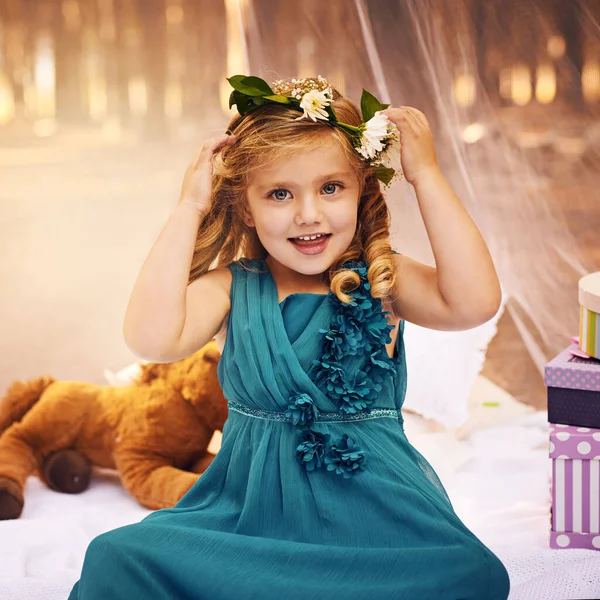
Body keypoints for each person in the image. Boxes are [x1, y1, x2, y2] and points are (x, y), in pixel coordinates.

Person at [68, 75, 510, 600]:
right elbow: (151, 339)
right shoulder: (233, 288)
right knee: (114, 558)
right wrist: (190, 207)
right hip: (248, 519)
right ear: (246, 207)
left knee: (473, 573)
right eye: (280, 193)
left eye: (331, 187)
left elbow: (475, 302)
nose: (308, 214)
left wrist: (427, 176)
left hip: (376, 519)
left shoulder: (382, 278)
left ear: (361, 189)